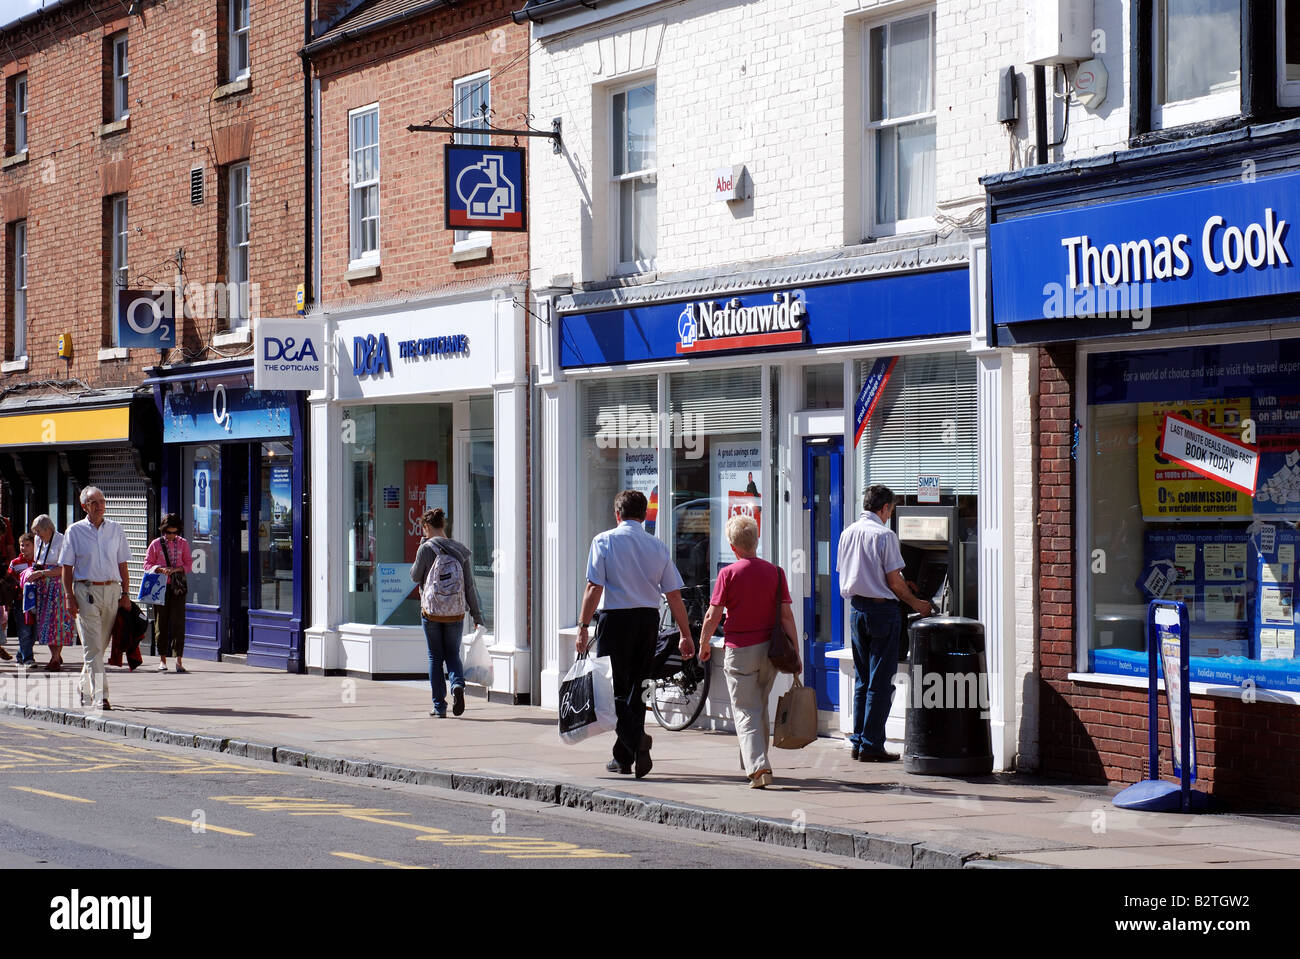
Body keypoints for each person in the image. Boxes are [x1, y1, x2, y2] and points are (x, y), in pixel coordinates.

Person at [576, 490, 695, 779]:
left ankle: (636, 740)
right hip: (647, 620)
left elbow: (594, 588)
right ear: (644, 516)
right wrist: (685, 633)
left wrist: (582, 627)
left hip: (615, 619)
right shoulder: (657, 546)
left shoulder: (603, 541)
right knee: (638, 689)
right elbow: (674, 594)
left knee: (609, 690)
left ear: (617, 514)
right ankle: (625, 756)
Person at [697, 514, 799, 789]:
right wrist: (796, 653)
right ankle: (756, 760)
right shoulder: (775, 572)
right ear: (756, 540)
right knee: (758, 706)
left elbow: (713, 615)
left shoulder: (728, 574)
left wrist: (704, 643)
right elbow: (787, 616)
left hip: (740, 650)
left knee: (745, 709)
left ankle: (758, 768)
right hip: (770, 652)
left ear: (732, 545)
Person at [837, 484, 934, 762]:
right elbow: (893, 582)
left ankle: (858, 742)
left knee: (863, 681)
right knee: (881, 682)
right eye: (890, 509)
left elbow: (849, 571)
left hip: (856, 611)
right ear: (884, 508)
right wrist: (919, 605)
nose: (890, 513)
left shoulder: (848, 533)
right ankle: (871, 746)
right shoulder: (885, 535)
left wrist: (902, 584)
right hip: (882, 613)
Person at [59, 487, 133, 711]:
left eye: (102, 501)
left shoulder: (116, 529)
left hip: (111, 591)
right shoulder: (75, 531)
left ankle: (83, 686)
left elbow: (123, 564)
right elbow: (67, 567)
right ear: (84, 507)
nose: (99, 506)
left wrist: (126, 593)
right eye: (93, 502)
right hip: (85, 591)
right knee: (92, 647)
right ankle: (101, 696)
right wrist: (69, 596)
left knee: (99, 647)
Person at [409, 508, 484, 719]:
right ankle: (457, 685)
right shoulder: (460, 550)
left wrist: (422, 551)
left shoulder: (425, 549)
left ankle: (439, 707)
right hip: (455, 613)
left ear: (426, 527)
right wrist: (477, 617)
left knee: (435, 657)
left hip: (431, 612)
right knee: (452, 653)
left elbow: (415, 576)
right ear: (444, 526)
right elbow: (469, 586)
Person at [144, 513, 193, 674]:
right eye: (168, 532)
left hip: (177, 587)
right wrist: (159, 568)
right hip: (160, 587)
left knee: (179, 623)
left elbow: (188, 565)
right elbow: (147, 564)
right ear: (163, 530)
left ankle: (179, 660)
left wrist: (176, 569)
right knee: (161, 623)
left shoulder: (183, 544)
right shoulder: (156, 544)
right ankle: (162, 659)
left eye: (174, 532)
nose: (172, 536)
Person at [28, 515, 74, 671]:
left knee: (57, 622)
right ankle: (55, 654)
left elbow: (64, 568)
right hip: (42, 587)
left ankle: (55, 658)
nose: (37, 535)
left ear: (48, 529)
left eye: (39, 531)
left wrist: (42, 574)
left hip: (57, 586)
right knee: (45, 623)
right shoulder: (38, 541)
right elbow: (36, 562)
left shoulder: (61, 540)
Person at [6, 532, 36, 664]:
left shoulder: (39, 562)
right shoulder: (15, 563)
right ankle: (28, 658)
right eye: (22, 545)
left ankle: (21, 654)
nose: (23, 548)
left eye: (27, 545)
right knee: (24, 631)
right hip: (20, 602)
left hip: (36, 602)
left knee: (34, 633)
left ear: (35, 546)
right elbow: (8, 579)